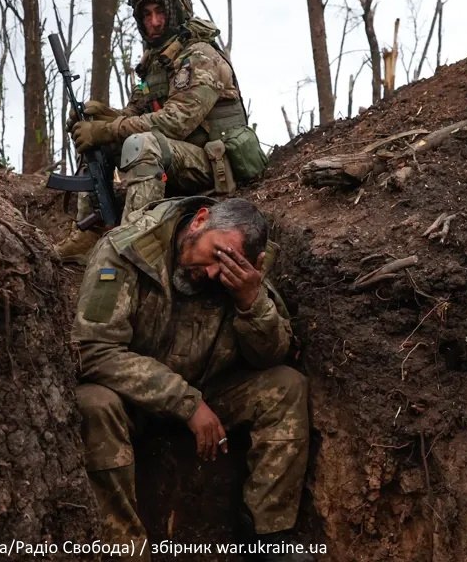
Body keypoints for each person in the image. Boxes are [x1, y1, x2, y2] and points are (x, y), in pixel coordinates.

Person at [74, 196, 311, 561]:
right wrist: (186, 403)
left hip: (211, 388)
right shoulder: (126, 251)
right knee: (93, 404)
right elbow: (93, 349)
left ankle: (266, 533)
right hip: (134, 400)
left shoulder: (243, 273)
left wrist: (250, 301)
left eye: (228, 266)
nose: (215, 273)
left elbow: (271, 357)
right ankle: (123, 548)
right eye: (216, 255)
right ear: (200, 221)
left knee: (286, 386)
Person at [54, 0, 269, 264]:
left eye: (160, 12)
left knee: (141, 144)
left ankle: (134, 245)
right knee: (101, 138)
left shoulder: (200, 56)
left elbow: (176, 122)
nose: (153, 22)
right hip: (175, 159)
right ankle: (90, 232)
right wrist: (101, 117)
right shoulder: (155, 63)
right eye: (146, 15)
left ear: (176, 11)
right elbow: (134, 114)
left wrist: (109, 128)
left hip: (214, 165)